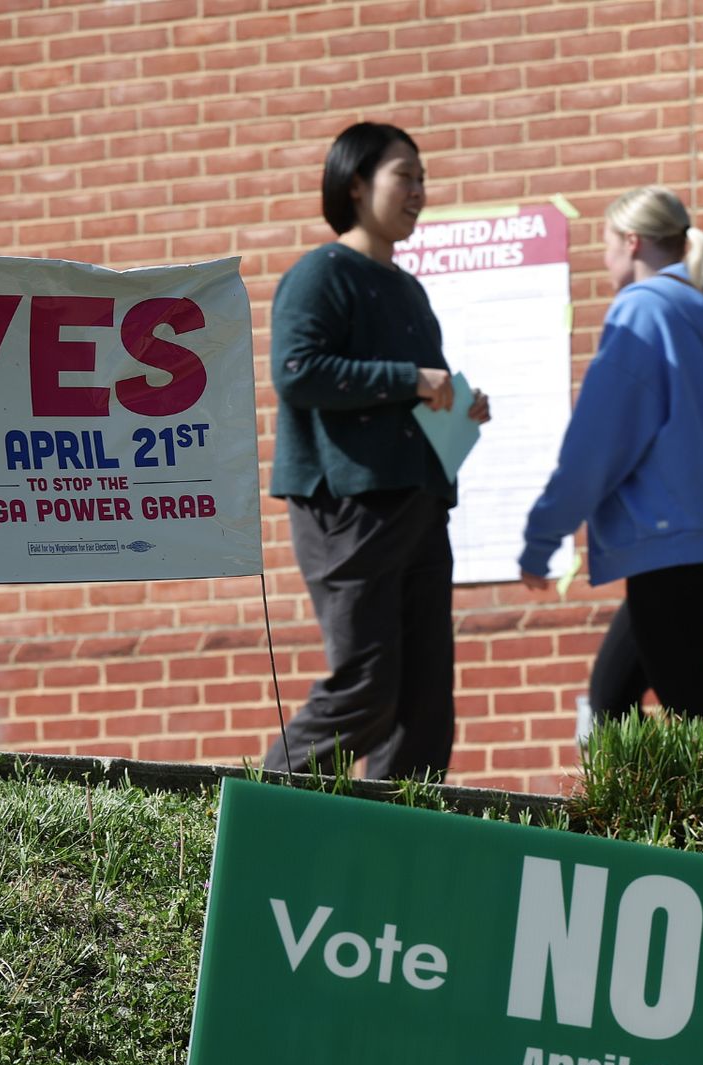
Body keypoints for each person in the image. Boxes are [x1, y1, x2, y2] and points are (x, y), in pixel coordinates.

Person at [262, 121, 491, 780]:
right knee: (365, 690)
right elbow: (296, 371)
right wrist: (409, 380)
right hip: (348, 507)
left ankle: (397, 849)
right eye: (405, 176)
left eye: (423, 178)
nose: (419, 190)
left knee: (425, 708)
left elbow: (420, 391)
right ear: (356, 185)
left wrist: (458, 404)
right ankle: (266, 811)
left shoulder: (407, 289)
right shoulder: (321, 274)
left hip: (418, 507)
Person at [517, 187, 703, 730]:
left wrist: (543, 537)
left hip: (667, 546)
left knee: (684, 713)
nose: (604, 258)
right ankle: (643, 813)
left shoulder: (643, 312)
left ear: (631, 241)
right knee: (618, 697)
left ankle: (702, 815)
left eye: (606, 244)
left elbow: (597, 443)